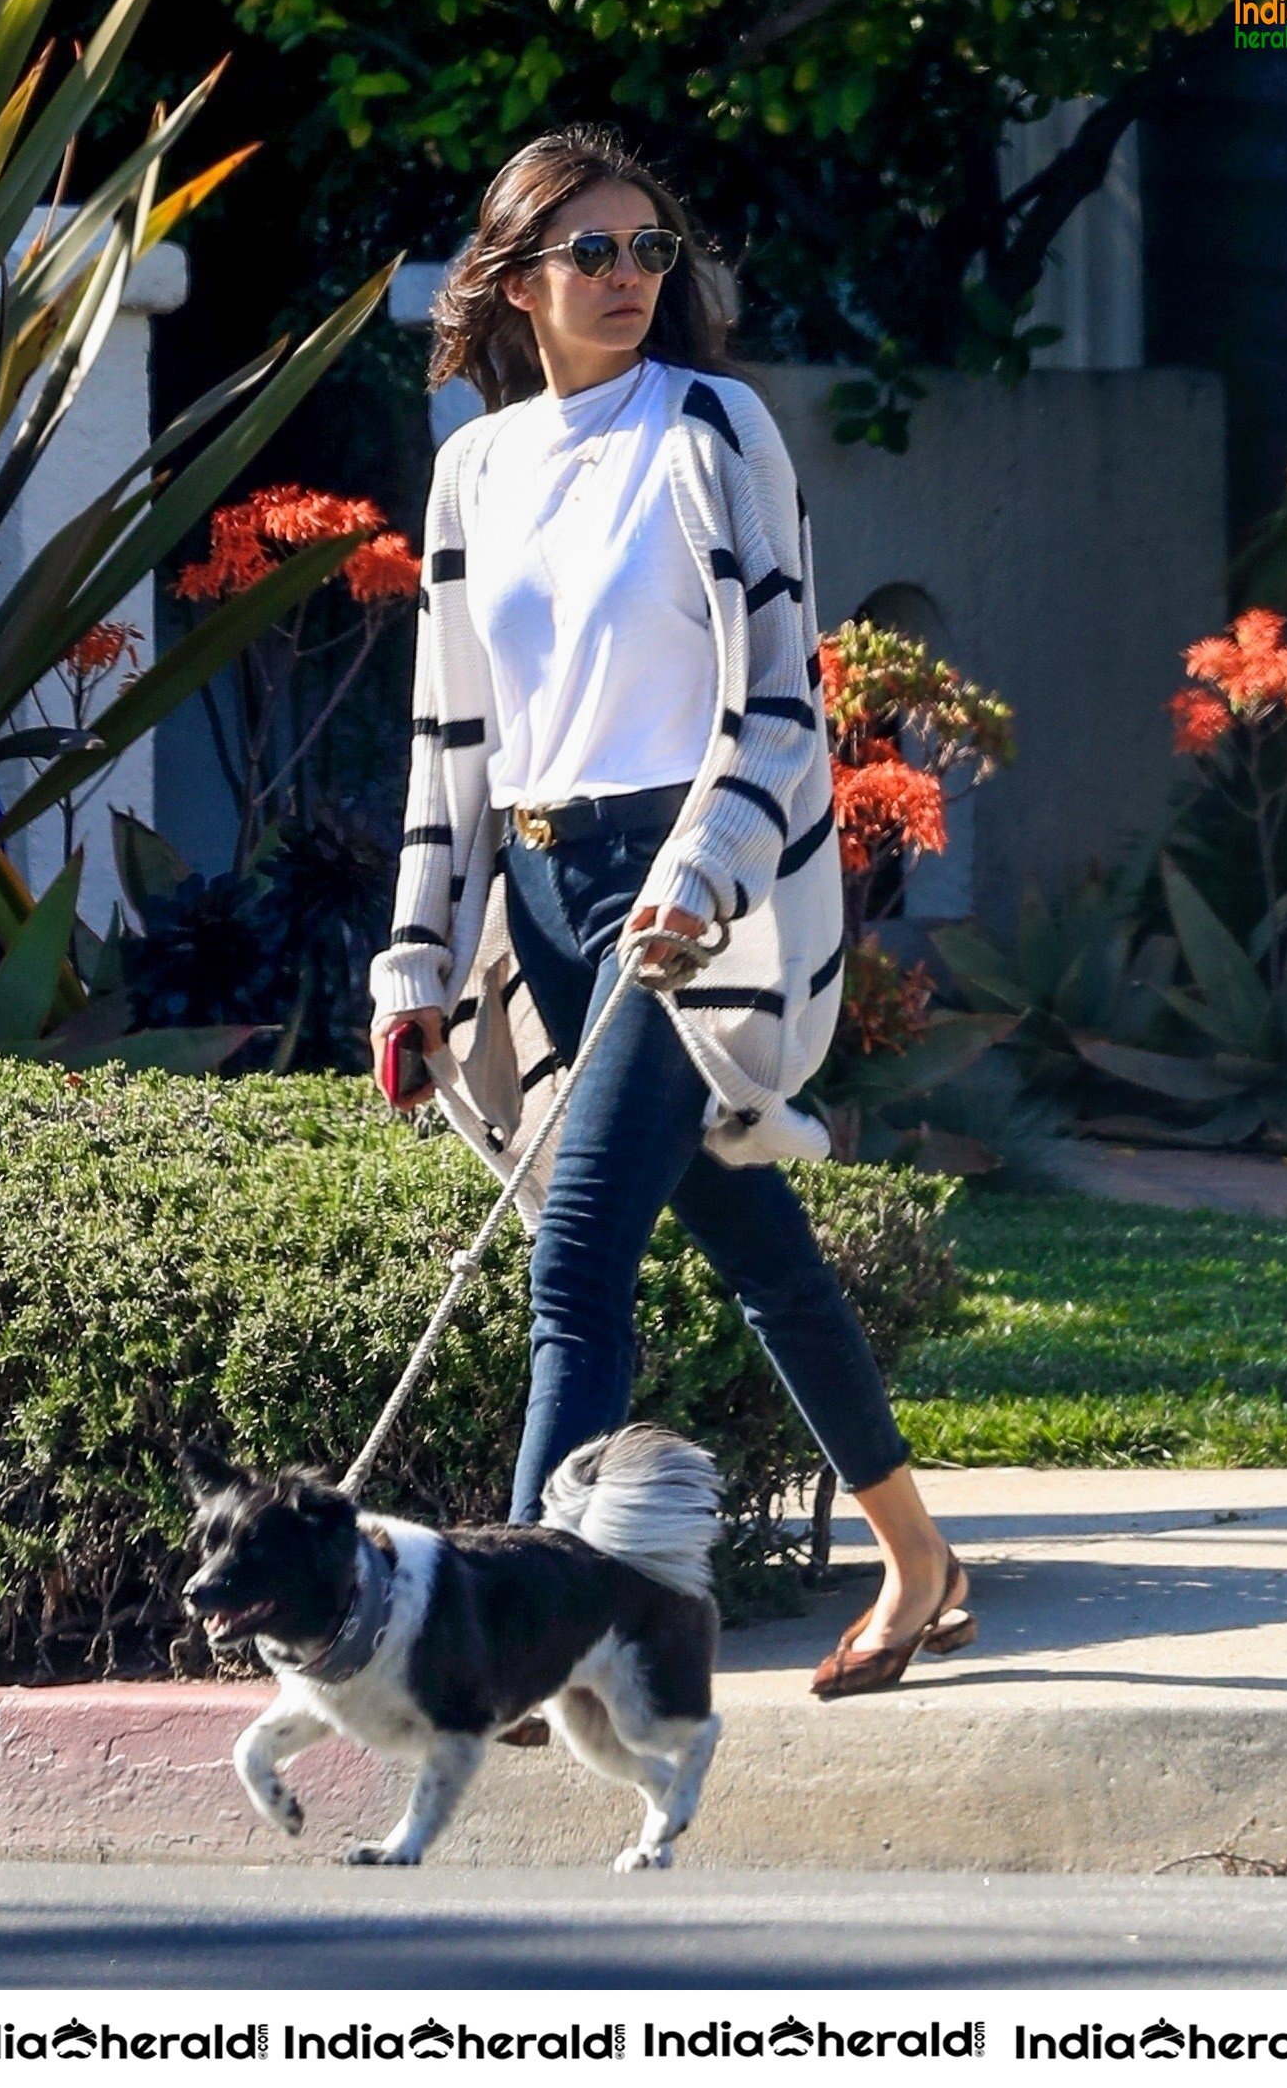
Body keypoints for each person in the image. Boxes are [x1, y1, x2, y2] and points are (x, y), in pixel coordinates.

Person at [368, 125, 973, 1702]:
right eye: (594, 251)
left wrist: (699, 877)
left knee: (575, 1255)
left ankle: (507, 1637)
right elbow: (453, 743)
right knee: (750, 1232)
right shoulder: (473, 469)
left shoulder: (715, 428)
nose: (632, 277)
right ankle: (919, 1557)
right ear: (511, 281)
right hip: (554, 897)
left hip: (698, 890)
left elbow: (780, 702)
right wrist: (418, 960)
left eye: (651, 249)